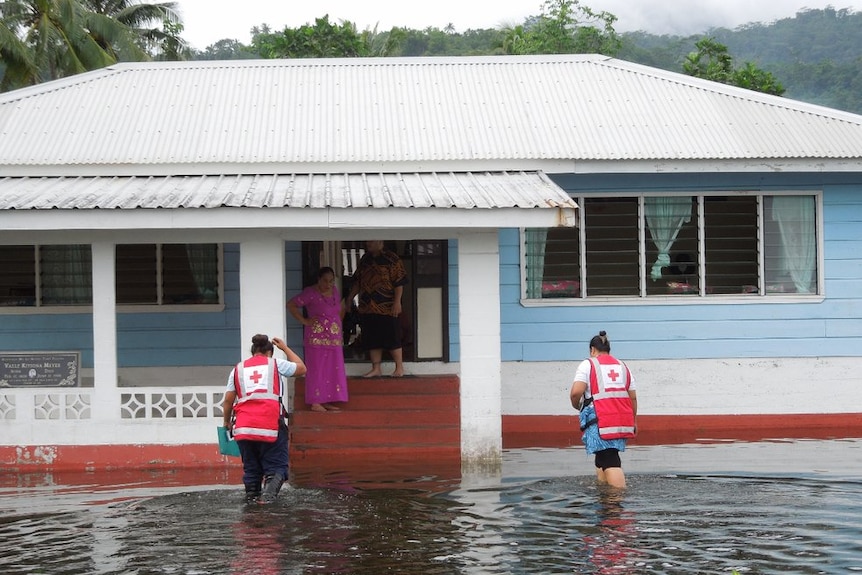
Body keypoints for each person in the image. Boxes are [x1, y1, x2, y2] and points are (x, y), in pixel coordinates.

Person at [223, 334, 307, 504]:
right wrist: (285, 348)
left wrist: (226, 422)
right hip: (270, 424)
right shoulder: (275, 364)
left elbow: (228, 401)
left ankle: (251, 506)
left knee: (252, 471)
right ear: (270, 352)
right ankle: (267, 502)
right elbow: (301, 368)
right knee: (277, 469)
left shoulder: (238, 369)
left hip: (243, 426)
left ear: (253, 351)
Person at [569, 330, 638, 489]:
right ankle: (604, 494)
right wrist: (634, 420)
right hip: (621, 419)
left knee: (609, 458)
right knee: (602, 456)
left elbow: (576, 392)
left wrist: (576, 405)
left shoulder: (588, 364)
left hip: (602, 419)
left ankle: (617, 500)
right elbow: (632, 397)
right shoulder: (623, 366)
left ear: (592, 350)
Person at [287, 266, 349, 412]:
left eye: (331, 281)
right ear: (318, 279)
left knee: (331, 368)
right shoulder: (310, 293)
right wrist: (305, 321)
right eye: (325, 281)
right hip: (316, 338)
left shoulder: (334, 291)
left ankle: (326, 400)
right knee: (317, 368)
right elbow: (291, 304)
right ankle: (316, 402)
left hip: (333, 338)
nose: (328, 284)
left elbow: (339, 309)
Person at [348, 240, 409, 377]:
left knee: (392, 336)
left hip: (387, 305)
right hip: (368, 306)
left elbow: (399, 282)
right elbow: (358, 282)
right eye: (367, 241)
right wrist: (350, 298)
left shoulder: (392, 259)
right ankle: (376, 368)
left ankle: (399, 368)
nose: (368, 243)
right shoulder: (365, 259)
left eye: (371, 241)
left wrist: (397, 302)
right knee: (372, 337)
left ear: (380, 242)